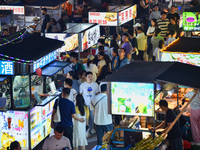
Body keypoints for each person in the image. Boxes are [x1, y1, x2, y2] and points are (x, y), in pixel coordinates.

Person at [79, 72, 99, 138]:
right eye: (89, 77)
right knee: (86, 117)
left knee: (92, 117)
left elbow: (97, 94)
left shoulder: (95, 85)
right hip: (85, 104)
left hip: (93, 104)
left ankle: (92, 128)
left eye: (91, 76)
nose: (90, 78)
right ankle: (86, 130)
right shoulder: (82, 85)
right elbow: (80, 94)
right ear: (85, 77)